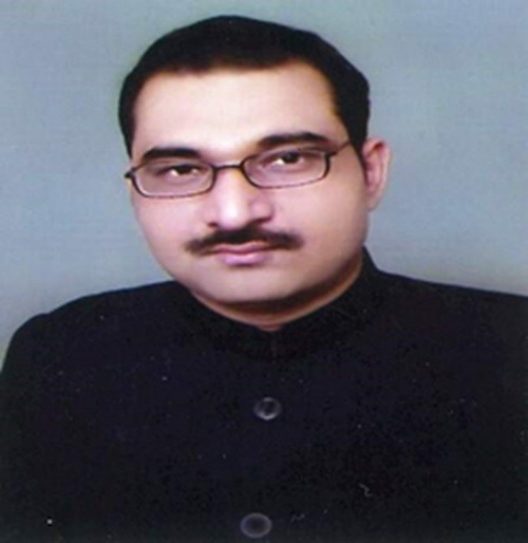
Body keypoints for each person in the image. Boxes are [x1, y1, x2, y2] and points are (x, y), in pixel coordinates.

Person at [1, 15, 526, 543]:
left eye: (287, 159)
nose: (234, 213)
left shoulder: (512, 347)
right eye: (181, 169)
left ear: (371, 172)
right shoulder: (59, 356)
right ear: (135, 191)